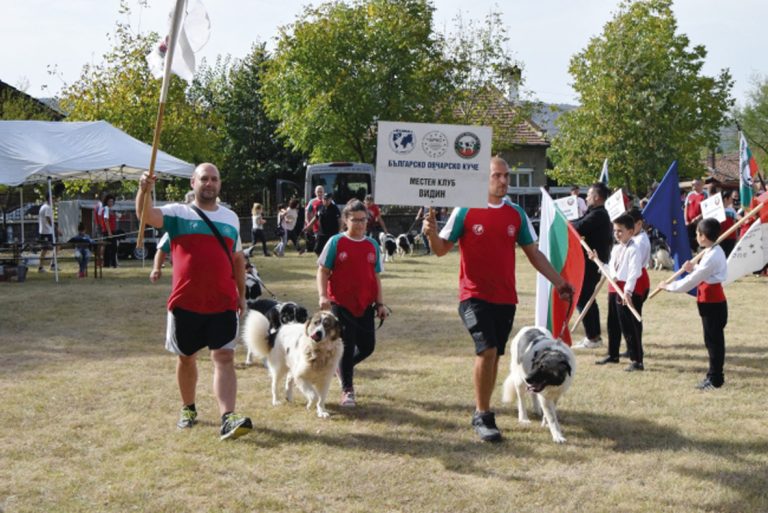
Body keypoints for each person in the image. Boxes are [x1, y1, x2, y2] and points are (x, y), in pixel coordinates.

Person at [422, 156, 575, 443]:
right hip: (473, 295)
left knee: (494, 356)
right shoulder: (465, 210)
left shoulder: (516, 214)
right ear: (483, 178)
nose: (504, 181)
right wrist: (431, 234)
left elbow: (534, 254)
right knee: (487, 350)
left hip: (505, 298)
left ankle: (485, 406)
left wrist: (559, 282)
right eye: (497, 176)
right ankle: (482, 415)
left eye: (506, 176)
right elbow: (441, 249)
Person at [136, 163, 252, 441]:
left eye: (214, 179)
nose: (209, 183)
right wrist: (144, 190)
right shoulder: (178, 213)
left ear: (220, 184)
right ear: (193, 182)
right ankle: (188, 408)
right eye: (204, 178)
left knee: (224, 356)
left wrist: (241, 294)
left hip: (222, 301)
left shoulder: (231, 218)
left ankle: (228, 418)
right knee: (186, 357)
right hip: (186, 301)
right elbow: (145, 214)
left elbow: (237, 259)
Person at [317, 199, 388, 408]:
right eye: (354, 219)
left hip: (365, 304)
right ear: (345, 220)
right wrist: (323, 296)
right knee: (346, 346)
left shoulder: (372, 245)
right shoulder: (336, 242)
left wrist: (380, 303)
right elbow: (322, 271)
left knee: (367, 346)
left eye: (363, 219)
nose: (359, 224)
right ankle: (347, 390)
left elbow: (375, 277)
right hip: (340, 303)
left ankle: (341, 367)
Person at [662, 218, 728, 390]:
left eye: (698, 234)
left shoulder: (713, 254)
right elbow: (700, 272)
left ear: (704, 237)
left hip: (713, 303)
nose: (696, 236)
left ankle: (715, 379)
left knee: (714, 342)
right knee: (711, 341)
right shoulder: (710, 251)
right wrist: (693, 267)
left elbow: (691, 282)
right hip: (708, 301)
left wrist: (669, 287)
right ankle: (713, 375)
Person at [594, 213, 646, 372]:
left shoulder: (634, 249)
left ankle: (637, 360)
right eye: (615, 230)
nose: (616, 234)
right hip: (615, 287)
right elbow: (611, 269)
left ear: (630, 232)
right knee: (613, 322)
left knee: (629, 326)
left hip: (627, 289)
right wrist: (598, 261)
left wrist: (628, 292)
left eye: (620, 231)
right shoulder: (616, 248)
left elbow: (634, 272)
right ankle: (613, 354)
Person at [571, 182, 613, 349]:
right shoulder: (593, 212)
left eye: (588, 195)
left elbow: (578, 227)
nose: (586, 198)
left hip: (592, 262)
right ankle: (594, 335)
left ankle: (592, 337)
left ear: (596, 197)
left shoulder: (599, 214)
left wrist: (566, 223)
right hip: (587, 261)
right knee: (587, 298)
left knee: (583, 298)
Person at [684, 179, 707, 253]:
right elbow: (686, 208)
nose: (693, 186)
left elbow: (707, 209)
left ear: (700, 185)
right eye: (692, 184)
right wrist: (686, 220)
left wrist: (698, 218)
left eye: (695, 184)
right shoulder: (690, 194)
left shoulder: (705, 195)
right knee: (689, 239)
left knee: (699, 239)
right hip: (690, 223)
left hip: (699, 222)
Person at [37, 196, 57, 272]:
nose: (54, 200)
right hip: (47, 232)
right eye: (53, 199)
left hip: (44, 231)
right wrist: (55, 228)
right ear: (49, 199)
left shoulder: (43, 206)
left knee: (46, 249)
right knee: (48, 248)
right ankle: (48, 266)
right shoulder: (48, 207)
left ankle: (47, 265)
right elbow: (48, 218)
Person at [305, 185, 325, 253]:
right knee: (318, 241)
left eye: (321, 192)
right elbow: (307, 212)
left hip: (326, 227)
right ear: (315, 192)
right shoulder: (312, 201)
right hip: (316, 226)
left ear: (323, 192)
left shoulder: (329, 201)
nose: (320, 193)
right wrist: (308, 223)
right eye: (318, 192)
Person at [719, 190, 738, 257]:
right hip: (721, 237)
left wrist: (736, 236)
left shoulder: (732, 210)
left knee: (729, 255)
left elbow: (735, 223)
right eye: (730, 198)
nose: (732, 200)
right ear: (725, 199)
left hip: (731, 237)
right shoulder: (718, 210)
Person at [102, 195, 119, 268]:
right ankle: (108, 264)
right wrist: (109, 232)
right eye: (109, 201)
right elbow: (106, 221)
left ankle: (112, 264)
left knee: (113, 248)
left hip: (113, 231)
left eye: (112, 201)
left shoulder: (111, 210)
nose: (111, 203)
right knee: (109, 248)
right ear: (106, 202)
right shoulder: (106, 208)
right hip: (108, 231)